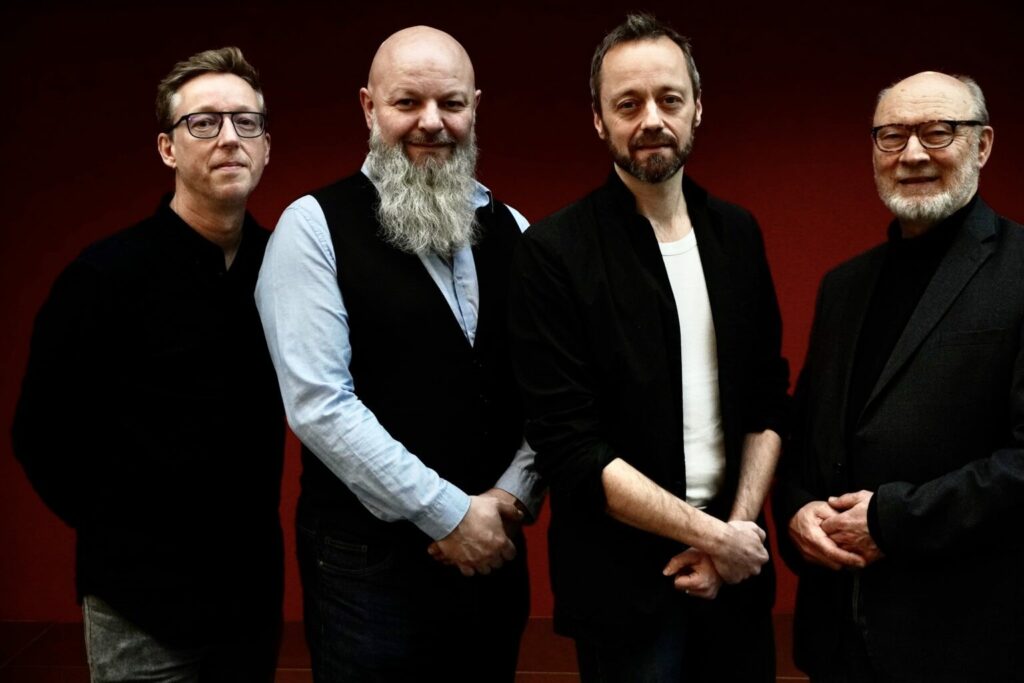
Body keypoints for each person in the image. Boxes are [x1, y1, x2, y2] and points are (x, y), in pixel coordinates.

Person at [255, 25, 543, 683]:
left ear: (475, 107)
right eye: (407, 102)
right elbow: (320, 404)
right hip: (366, 573)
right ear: (368, 107)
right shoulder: (312, 227)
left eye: (451, 103)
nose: (432, 122)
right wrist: (451, 513)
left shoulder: (518, 230)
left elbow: (549, 389)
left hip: (495, 555)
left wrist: (512, 496)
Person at [508, 13, 788, 682]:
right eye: (628, 104)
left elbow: (767, 399)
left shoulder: (737, 234)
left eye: (669, 98)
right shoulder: (553, 252)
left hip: (736, 574)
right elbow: (570, 445)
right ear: (599, 120)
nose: (652, 120)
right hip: (624, 590)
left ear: (698, 107)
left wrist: (733, 537)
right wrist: (711, 536)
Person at [12, 47, 283, 681]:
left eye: (246, 122)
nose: (228, 138)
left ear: (266, 146)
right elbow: (39, 435)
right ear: (167, 148)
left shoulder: (287, 268)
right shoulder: (103, 277)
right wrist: (126, 538)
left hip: (249, 598)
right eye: (203, 122)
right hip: (139, 604)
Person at [774, 71, 1024, 682]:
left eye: (938, 132)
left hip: (968, 642)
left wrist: (891, 520)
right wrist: (797, 511)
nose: (912, 153)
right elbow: (805, 437)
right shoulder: (843, 287)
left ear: (983, 145)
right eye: (892, 135)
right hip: (837, 639)